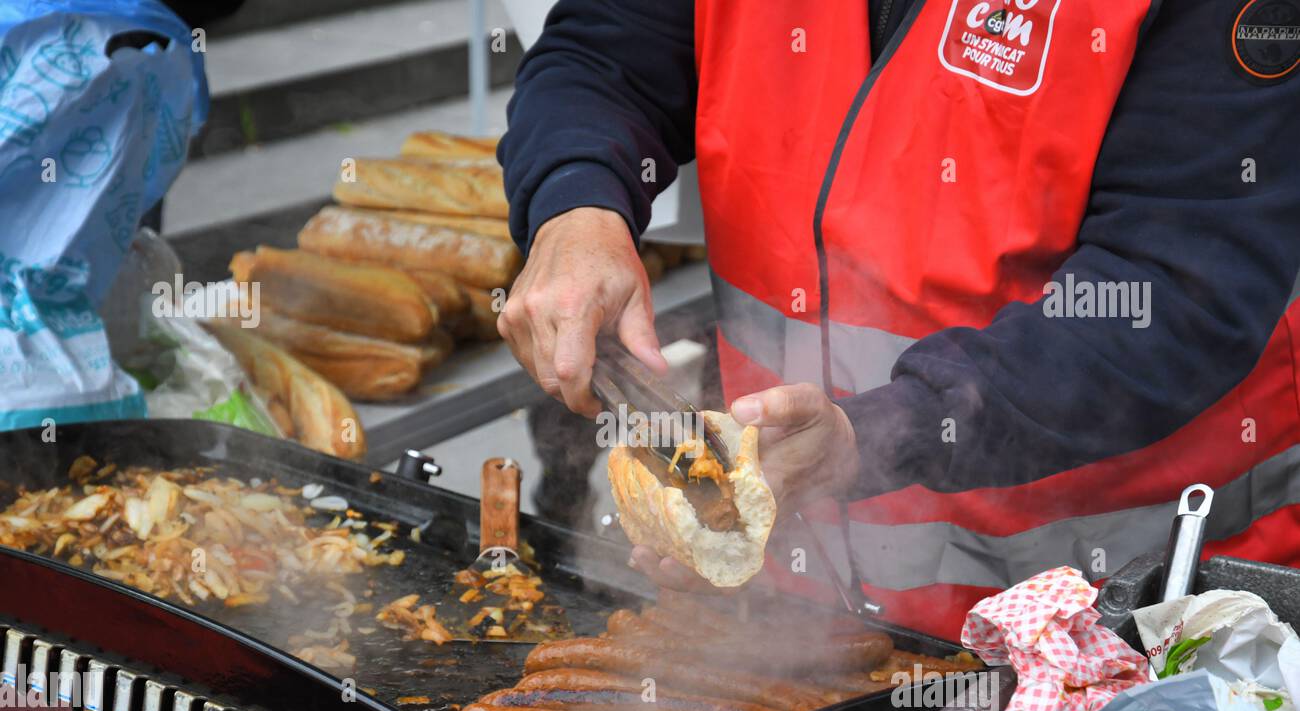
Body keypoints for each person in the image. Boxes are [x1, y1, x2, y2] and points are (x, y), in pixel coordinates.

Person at [495, 0, 1300, 638]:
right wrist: (576, 204)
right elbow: (605, 55)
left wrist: (887, 431)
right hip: (800, 609)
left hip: (1123, 624)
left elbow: (1176, 286)